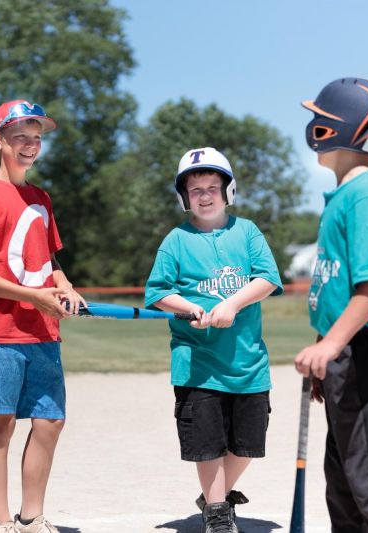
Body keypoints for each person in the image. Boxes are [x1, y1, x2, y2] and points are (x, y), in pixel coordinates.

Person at [0, 100, 85, 533]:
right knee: (2, 425)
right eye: (20, 138)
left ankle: (31, 517)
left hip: (42, 331)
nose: (30, 145)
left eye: (36, 138)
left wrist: (63, 286)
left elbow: (49, 261)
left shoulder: (40, 198)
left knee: (50, 421)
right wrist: (34, 296)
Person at [294, 78, 368, 532]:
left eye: (320, 116)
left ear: (342, 126)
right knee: (344, 480)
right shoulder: (345, 195)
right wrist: (327, 344)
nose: (313, 125)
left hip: (366, 352)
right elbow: (337, 290)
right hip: (346, 350)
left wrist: (332, 346)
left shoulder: (364, 194)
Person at [145, 147, 283, 533]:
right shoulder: (176, 240)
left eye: (211, 187)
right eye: (195, 190)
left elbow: (268, 278)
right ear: (183, 197)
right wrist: (189, 307)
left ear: (228, 191)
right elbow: (157, 292)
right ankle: (219, 512)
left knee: (246, 445)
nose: (204, 196)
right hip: (197, 360)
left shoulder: (247, 231)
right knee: (206, 443)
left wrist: (231, 305)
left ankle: (211, 498)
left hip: (247, 362)